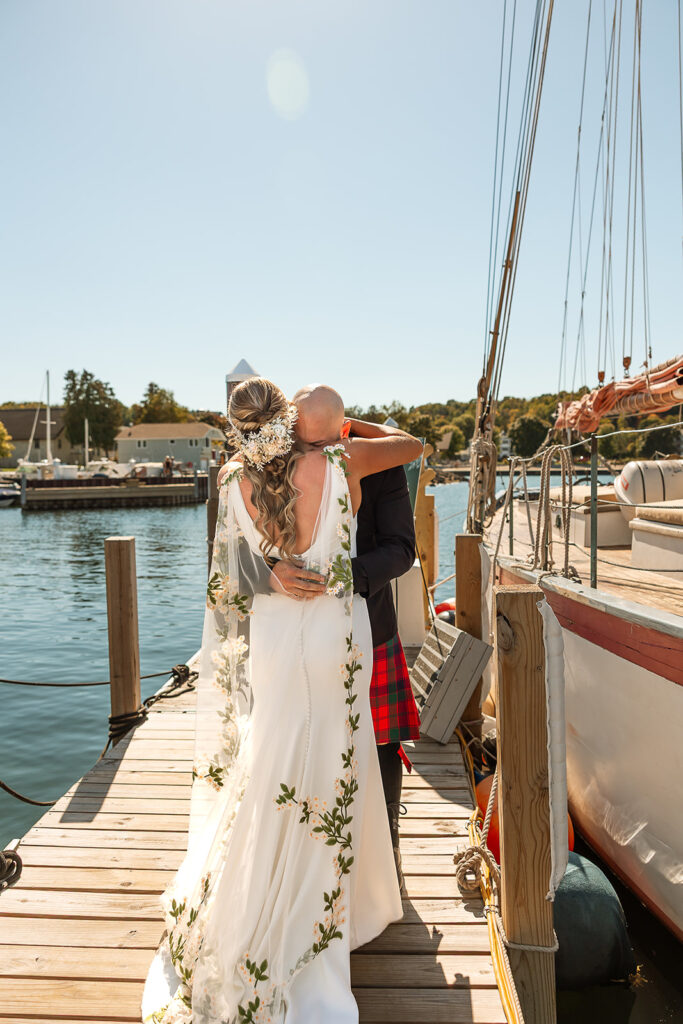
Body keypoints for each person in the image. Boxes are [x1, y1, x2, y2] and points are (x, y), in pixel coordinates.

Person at [141, 377, 423, 1024]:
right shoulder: (339, 460)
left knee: (270, 759)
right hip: (331, 635)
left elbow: (221, 577)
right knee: (330, 764)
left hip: (272, 634)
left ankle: (272, 897)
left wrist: (266, 575)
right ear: (298, 422)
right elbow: (415, 443)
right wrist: (353, 433)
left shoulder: (233, 475)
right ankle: (319, 912)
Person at [270, 385, 421, 894]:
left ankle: (388, 841)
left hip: (369, 624)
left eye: (325, 445)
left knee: (380, 742)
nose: (315, 457)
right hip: (294, 632)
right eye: (304, 445)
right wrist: (273, 570)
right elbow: (243, 543)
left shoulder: (376, 464)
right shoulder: (275, 461)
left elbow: (401, 551)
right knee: (307, 741)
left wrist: (343, 576)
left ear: (345, 433)